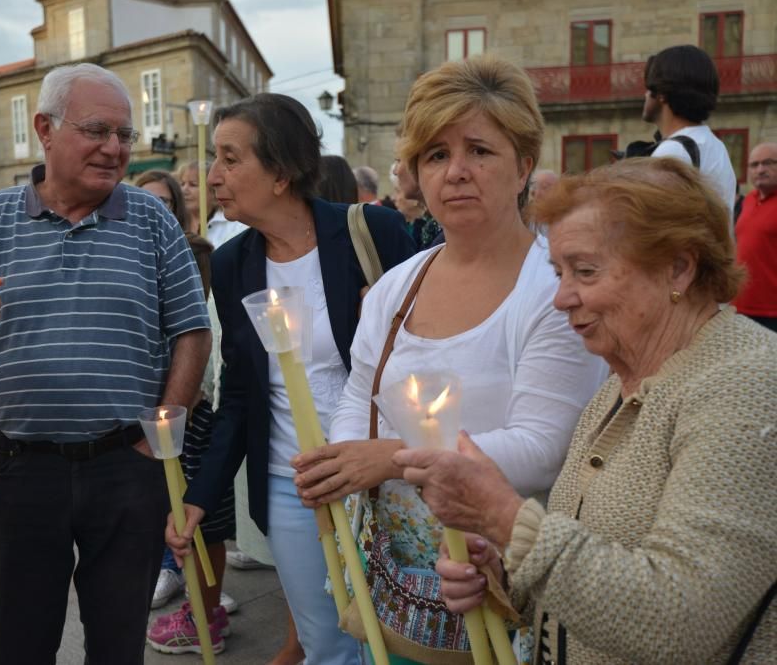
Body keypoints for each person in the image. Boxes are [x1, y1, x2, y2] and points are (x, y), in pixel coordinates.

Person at [400, 157, 776, 664]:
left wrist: (505, 518)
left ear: (679, 267)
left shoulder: (746, 385)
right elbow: (587, 574)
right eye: (559, 272)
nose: (560, 297)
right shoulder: (614, 389)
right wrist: (502, 565)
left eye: (585, 271)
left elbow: (680, 622)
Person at [293, 56, 607, 663]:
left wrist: (385, 459)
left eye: (479, 151)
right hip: (400, 586)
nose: (456, 172)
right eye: (436, 155)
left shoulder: (552, 290)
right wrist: (343, 462)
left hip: (505, 581)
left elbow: (546, 446)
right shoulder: (396, 287)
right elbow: (362, 391)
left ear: (523, 165)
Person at [0, 62, 211, 665]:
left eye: (124, 135)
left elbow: (192, 330)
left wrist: (159, 435)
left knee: (118, 647)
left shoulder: (153, 221)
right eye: (96, 131)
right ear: (45, 129)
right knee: (20, 645)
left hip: (125, 468)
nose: (115, 149)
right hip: (21, 473)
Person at [164, 92, 415, 664]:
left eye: (231, 159)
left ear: (279, 173)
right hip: (290, 482)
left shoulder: (371, 234)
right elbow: (242, 397)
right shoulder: (231, 265)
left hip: (384, 476)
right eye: (215, 159)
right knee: (325, 643)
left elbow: (434, 342)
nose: (213, 175)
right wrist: (201, 498)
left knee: (400, 642)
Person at [136, 168, 239, 620]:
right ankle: (179, 577)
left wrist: (192, 387)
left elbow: (204, 331)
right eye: (145, 203)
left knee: (200, 510)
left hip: (194, 415)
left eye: (164, 202)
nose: (154, 212)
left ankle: (207, 605)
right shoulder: (126, 260)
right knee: (160, 504)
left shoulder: (195, 253)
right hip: (144, 413)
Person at [641, 44, 736, 222]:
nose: (645, 94)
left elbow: (654, 226)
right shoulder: (715, 145)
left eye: (648, 87)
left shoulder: (673, 152)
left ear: (661, 93)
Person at [733, 142, 777, 332]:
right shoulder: (749, 200)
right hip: (740, 307)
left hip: (773, 312)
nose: (760, 170)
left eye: (768, 163)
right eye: (754, 164)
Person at [178, 159, 248, 247]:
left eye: (193, 184)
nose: (184, 190)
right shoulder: (174, 222)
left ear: (214, 191)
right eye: (182, 184)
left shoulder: (234, 226)